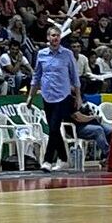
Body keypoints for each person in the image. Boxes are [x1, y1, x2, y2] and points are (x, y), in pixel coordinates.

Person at [27, 26, 81, 172]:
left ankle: (47, 160)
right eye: (52, 35)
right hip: (47, 95)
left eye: (57, 35)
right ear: (48, 37)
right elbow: (36, 76)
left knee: (53, 128)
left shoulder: (67, 54)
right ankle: (63, 158)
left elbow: (74, 76)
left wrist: (78, 96)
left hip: (63, 96)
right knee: (54, 129)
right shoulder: (41, 54)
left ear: (60, 37)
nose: (55, 38)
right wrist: (31, 96)